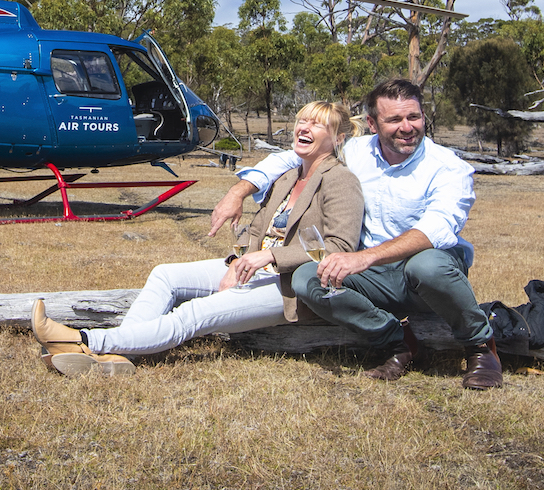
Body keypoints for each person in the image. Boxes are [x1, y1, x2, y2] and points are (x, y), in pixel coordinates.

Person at [29, 101, 364, 376]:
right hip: (253, 267)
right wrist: (235, 263)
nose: (303, 128)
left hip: (289, 284)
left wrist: (271, 258)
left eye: (317, 125)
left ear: (337, 138)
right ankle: (116, 355)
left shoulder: (340, 181)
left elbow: (341, 247)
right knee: (165, 274)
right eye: (301, 121)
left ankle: (83, 340)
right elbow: (256, 228)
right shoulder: (289, 175)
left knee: (194, 314)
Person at [210, 78, 501, 389]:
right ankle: (397, 340)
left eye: (413, 117)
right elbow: (290, 158)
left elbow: (437, 229)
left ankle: (481, 347)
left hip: (426, 274)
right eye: (394, 120)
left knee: (426, 265)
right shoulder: (356, 151)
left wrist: (363, 257)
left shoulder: (447, 167)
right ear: (373, 124)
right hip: (371, 273)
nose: (407, 127)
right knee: (307, 277)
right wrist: (238, 191)